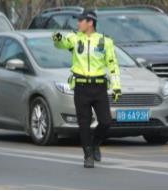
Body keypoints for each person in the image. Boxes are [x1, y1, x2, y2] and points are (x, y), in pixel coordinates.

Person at [52, 9, 121, 168]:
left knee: (106, 122)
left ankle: (96, 143)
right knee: (84, 123)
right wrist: (56, 37)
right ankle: (88, 155)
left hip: (99, 87)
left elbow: (113, 65)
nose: (78, 23)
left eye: (81, 20)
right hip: (81, 87)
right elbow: (61, 42)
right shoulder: (75, 38)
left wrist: (117, 86)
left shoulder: (105, 41)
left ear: (90, 22)